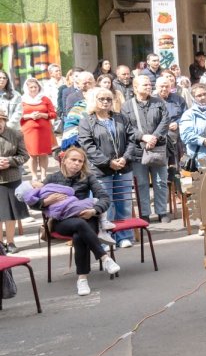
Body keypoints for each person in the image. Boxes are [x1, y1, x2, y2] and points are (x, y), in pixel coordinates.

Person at [26, 147, 121, 295]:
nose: (77, 163)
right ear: (64, 161)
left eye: (80, 161)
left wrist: (94, 211)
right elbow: (32, 201)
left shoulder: (88, 177)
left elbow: (104, 198)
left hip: (86, 215)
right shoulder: (52, 178)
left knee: (79, 234)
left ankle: (82, 279)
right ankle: (104, 257)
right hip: (61, 221)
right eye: (73, 160)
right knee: (79, 225)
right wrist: (46, 201)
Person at [76, 87, 138, 248]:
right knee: (104, 205)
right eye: (101, 99)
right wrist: (108, 162)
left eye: (108, 99)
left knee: (123, 203)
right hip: (101, 170)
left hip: (124, 168)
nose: (105, 102)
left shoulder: (121, 118)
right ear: (94, 101)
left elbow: (132, 139)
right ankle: (106, 239)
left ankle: (124, 236)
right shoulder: (86, 121)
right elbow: (88, 146)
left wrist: (125, 158)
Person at [124, 75, 171, 223]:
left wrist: (154, 137)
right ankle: (144, 212)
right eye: (145, 85)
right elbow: (126, 127)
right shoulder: (127, 106)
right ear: (135, 87)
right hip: (138, 150)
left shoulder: (159, 102)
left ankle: (162, 211)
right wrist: (143, 137)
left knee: (160, 181)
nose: (149, 87)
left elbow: (165, 120)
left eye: (150, 84)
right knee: (142, 182)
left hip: (158, 148)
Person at [0, 107, 30, 253]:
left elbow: (24, 156)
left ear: (5, 120)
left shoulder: (16, 134)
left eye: (1, 120)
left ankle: (10, 242)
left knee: (10, 214)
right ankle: (0, 244)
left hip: (11, 178)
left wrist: (10, 161)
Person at [19, 78, 56, 182]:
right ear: (27, 88)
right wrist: (30, 116)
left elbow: (53, 114)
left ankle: (44, 175)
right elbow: (18, 116)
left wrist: (42, 115)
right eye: (31, 87)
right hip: (29, 130)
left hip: (44, 130)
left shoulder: (45, 99)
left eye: (36, 87)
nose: (34, 89)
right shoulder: (22, 100)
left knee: (43, 153)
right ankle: (34, 175)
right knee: (32, 154)